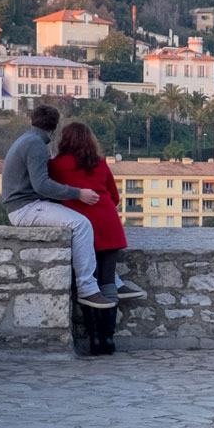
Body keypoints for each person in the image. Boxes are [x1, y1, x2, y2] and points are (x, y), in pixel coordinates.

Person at [3, 103, 114, 310]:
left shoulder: (27, 140)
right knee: (82, 224)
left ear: (32, 121)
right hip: (25, 208)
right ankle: (88, 288)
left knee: (79, 222)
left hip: (22, 205)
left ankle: (104, 281)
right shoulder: (36, 144)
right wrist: (78, 193)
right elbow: (42, 185)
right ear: (54, 128)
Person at [47, 122, 130, 355]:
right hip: (108, 225)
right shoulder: (101, 163)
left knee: (87, 284)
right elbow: (114, 196)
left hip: (81, 228)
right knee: (107, 282)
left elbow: (49, 192)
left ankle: (94, 339)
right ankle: (108, 339)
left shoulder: (56, 165)